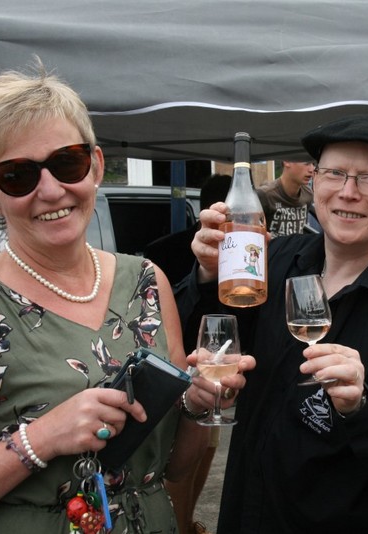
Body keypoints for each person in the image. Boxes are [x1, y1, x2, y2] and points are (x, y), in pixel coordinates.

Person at [0, 62, 251, 533]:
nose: (51, 190)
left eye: (67, 163)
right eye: (17, 175)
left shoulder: (146, 281)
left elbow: (175, 468)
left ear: (95, 165)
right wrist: (40, 439)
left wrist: (198, 406)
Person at [175, 114, 368, 533]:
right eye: (334, 173)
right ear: (315, 181)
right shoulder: (276, 259)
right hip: (246, 514)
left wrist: (360, 407)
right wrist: (207, 273)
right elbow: (199, 338)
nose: (348, 192)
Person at [145, 174, 232, 534]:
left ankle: (188, 521)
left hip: (212, 372)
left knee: (206, 447)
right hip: (178, 369)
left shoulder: (242, 246)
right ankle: (182, 524)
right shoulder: (166, 252)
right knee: (181, 460)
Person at [144, 173, 232, 287]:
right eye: (235, 216)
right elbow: (158, 296)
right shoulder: (162, 252)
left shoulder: (249, 249)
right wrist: (205, 275)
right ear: (212, 212)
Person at [257, 160, 315, 237]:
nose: (312, 169)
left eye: (313, 164)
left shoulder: (308, 194)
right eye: (306, 163)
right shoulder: (265, 195)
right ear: (287, 161)